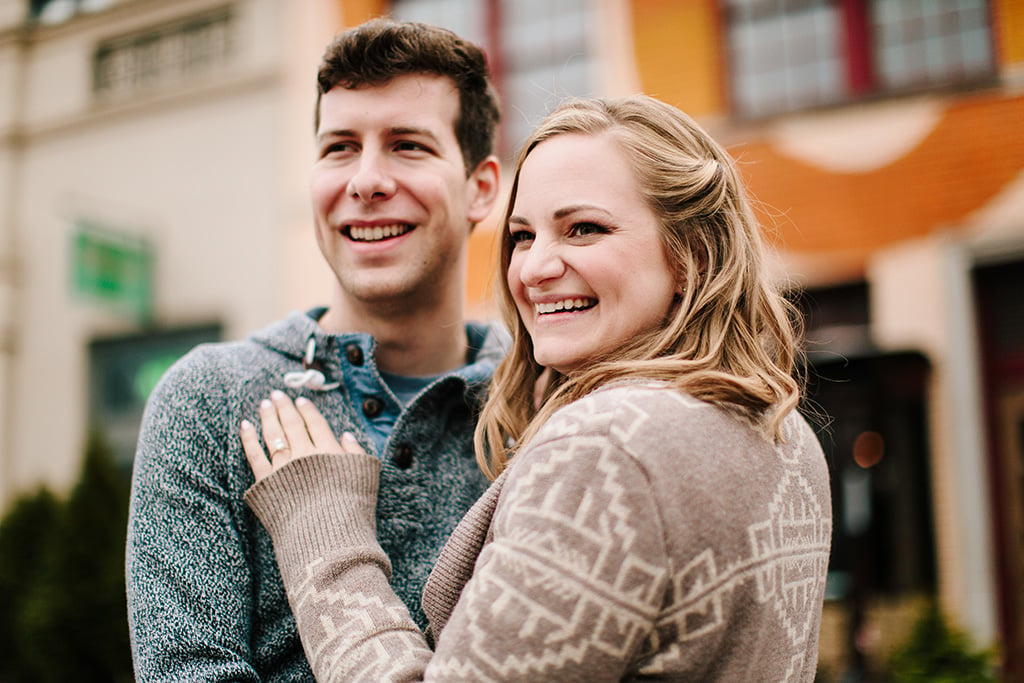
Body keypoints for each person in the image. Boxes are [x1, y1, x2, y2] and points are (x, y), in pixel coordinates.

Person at [240, 95, 834, 681]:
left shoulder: (604, 449)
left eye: (583, 229)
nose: (534, 268)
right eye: (522, 236)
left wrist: (325, 536)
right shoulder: (784, 430)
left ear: (691, 256)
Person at [126, 19, 504, 681]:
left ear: (482, 187)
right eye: (339, 148)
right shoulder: (211, 400)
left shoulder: (548, 407)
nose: (365, 180)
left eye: (407, 145)